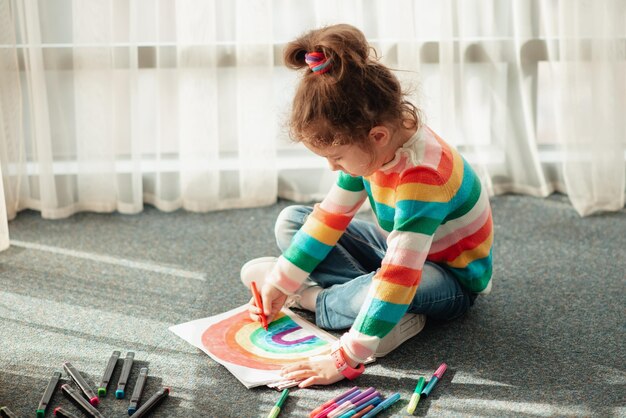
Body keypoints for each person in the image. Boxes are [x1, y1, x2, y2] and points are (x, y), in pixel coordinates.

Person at [240, 23, 493, 388]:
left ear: (377, 137)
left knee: (387, 288)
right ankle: (380, 314)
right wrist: (282, 281)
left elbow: (399, 275)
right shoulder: (377, 144)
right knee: (293, 220)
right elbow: (331, 215)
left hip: (450, 279)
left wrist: (345, 358)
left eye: (338, 158)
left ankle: (317, 302)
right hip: (397, 250)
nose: (333, 167)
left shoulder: (422, 176)